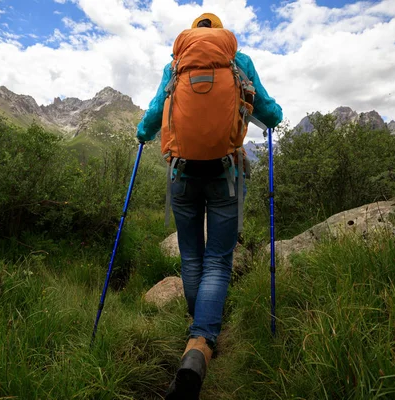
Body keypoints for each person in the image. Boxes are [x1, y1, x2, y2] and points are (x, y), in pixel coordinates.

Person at [136, 13, 283, 399]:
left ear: (191, 35)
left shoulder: (176, 64)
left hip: (181, 174)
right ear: (220, 34)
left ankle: (196, 328)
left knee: (191, 256)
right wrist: (277, 116)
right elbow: (267, 110)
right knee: (219, 260)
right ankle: (201, 342)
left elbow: (154, 113)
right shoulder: (240, 62)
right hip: (226, 175)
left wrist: (141, 132)